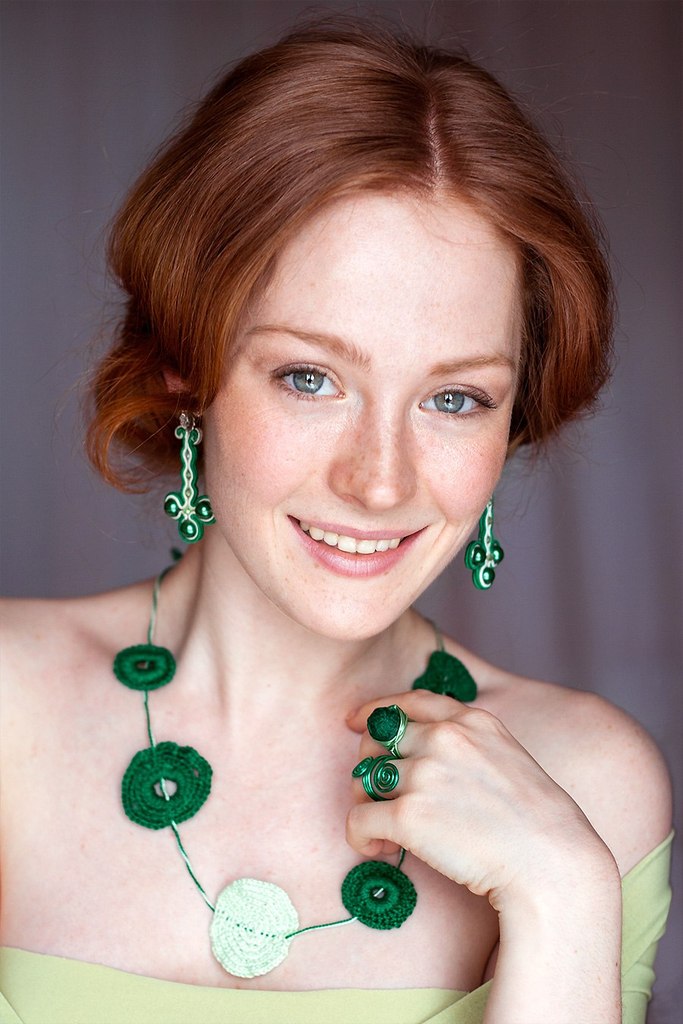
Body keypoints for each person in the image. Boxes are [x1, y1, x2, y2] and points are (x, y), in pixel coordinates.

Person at [0, 18, 673, 1024]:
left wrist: (561, 896)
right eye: (309, 377)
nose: (378, 481)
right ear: (185, 362)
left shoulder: (584, 785)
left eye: (454, 398)